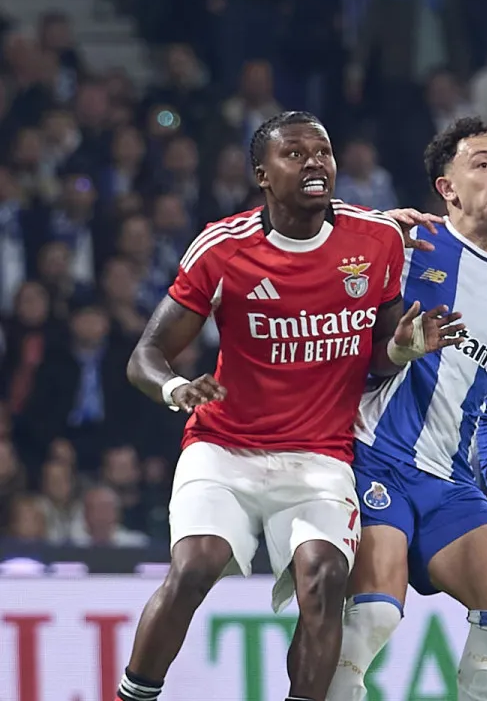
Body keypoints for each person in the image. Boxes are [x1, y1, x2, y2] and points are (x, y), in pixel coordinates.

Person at [116, 112, 460, 701]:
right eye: (295, 155)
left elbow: (378, 353)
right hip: (224, 448)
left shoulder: (374, 239)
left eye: (323, 152)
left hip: (320, 458)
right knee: (196, 564)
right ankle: (133, 695)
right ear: (263, 176)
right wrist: (175, 389)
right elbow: (145, 355)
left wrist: (402, 348)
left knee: (325, 579)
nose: (315, 164)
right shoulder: (222, 249)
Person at [326, 118, 487, 701]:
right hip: (374, 457)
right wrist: (360, 223)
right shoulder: (401, 246)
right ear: (446, 188)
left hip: (449, 480)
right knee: (374, 616)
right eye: (483, 164)